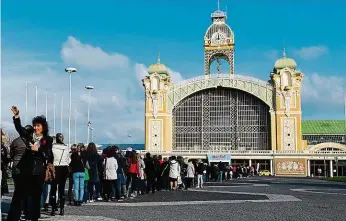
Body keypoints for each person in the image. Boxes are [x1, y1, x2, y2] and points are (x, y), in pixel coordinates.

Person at [7, 106, 53, 221]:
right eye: (35, 125)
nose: (36, 127)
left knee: (35, 198)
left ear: (43, 127)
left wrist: (39, 150)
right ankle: (12, 218)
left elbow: (47, 151)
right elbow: (19, 129)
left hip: (38, 172)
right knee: (18, 196)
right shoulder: (29, 136)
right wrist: (17, 116)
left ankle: (33, 218)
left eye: (38, 126)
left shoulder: (47, 139)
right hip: (25, 171)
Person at [50, 133, 70, 216]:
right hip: (64, 168)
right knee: (62, 189)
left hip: (55, 168)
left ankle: (53, 209)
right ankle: (62, 209)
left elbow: (50, 158)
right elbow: (69, 160)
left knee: (53, 189)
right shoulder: (66, 148)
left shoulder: (53, 147)